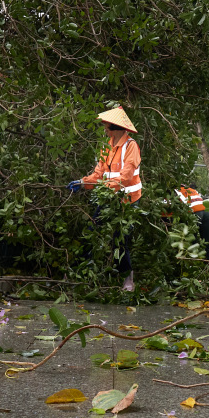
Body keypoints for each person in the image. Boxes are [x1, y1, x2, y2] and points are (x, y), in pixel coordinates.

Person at [68, 106, 142, 291]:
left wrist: (103, 188)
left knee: (120, 238)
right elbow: (99, 174)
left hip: (128, 200)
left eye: (107, 127)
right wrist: (83, 183)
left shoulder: (131, 146)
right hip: (108, 197)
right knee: (92, 229)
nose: (104, 129)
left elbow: (125, 177)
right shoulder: (106, 146)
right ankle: (79, 273)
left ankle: (128, 279)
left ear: (115, 127)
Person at [174, 186, 209, 273]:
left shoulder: (169, 191)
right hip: (205, 210)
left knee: (188, 246)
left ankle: (191, 273)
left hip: (192, 212)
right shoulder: (186, 188)